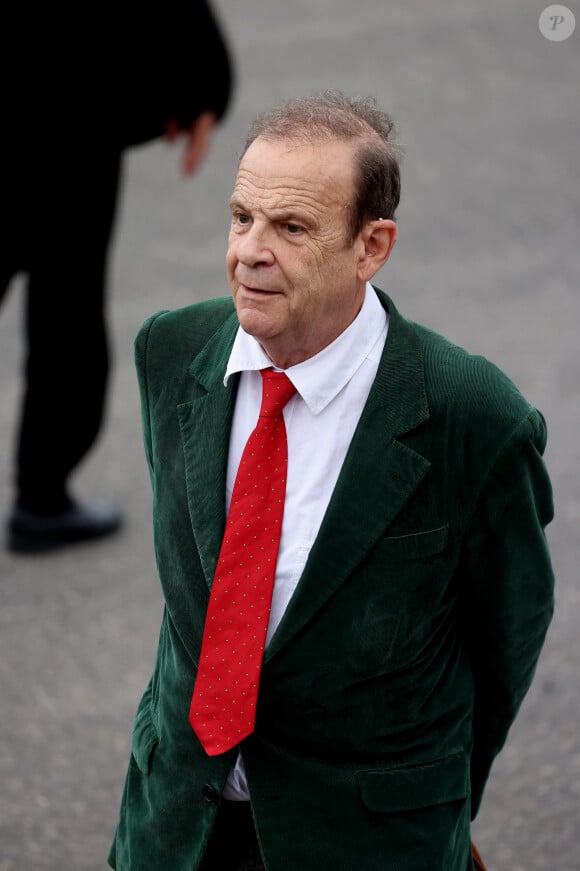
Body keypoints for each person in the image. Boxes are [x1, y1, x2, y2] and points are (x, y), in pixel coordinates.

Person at [108, 91, 555, 871]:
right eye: (241, 216)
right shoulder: (171, 352)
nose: (249, 250)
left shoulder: (471, 415)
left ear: (371, 246)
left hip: (366, 841)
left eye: (290, 227)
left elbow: (504, 641)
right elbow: (201, 605)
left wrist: (431, 806)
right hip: (176, 827)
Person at [0, 3, 234, 552]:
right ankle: (43, 494)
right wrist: (200, 77)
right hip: (68, 90)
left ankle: (44, 493)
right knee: (67, 296)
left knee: (67, 297)